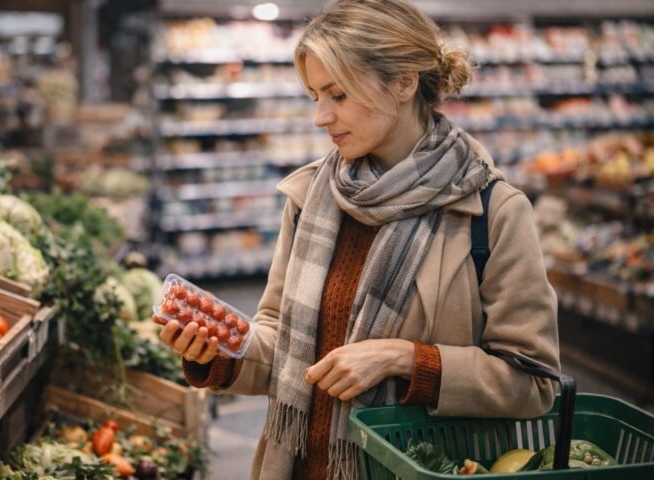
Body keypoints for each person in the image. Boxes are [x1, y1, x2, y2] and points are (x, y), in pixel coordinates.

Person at [154, 1, 560, 479]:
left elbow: (532, 384)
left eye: (338, 94)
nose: (321, 117)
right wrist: (218, 351)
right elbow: (281, 350)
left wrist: (405, 359)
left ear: (405, 82)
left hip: (417, 467)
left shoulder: (492, 211)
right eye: (314, 97)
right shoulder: (311, 198)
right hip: (302, 467)